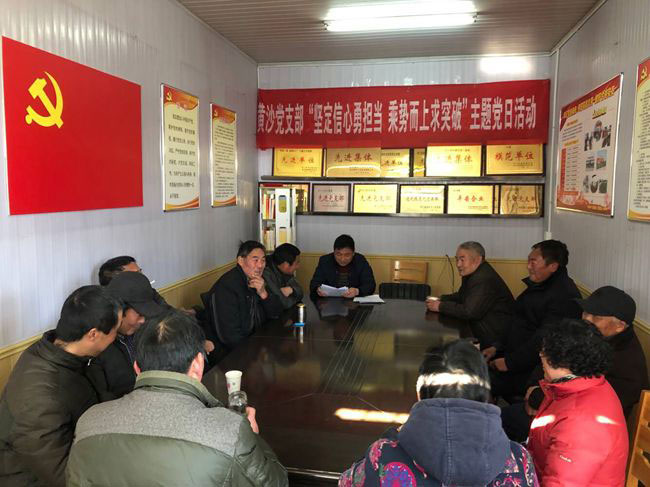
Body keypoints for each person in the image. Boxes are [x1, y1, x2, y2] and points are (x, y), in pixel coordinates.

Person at [66, 311, 288, 486]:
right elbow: (276, 482)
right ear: (198, 364)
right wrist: (253, 436)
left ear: (137, 368)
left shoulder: (89, 422)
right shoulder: (229, 431)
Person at [339, 340, 538, 487]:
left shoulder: (383, 456)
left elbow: (345, 482)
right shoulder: (520, 461)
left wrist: (391, 436)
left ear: (420, 395)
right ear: (486, 396)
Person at [0, 286, 121, 487]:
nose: (117, 336)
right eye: (116, 330)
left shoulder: (65, 353)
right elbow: (64, 476)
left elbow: (95, 396)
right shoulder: (40, 397)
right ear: (93, 334)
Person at [501, 285, 649, 442]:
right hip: (552, 406)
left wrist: (537, 397)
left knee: (504, 422)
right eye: (585, 312)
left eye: (596, 317)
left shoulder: (629, 366)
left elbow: (588, 403)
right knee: (502, 418)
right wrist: (534, 387)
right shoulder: (588, 335)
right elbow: (549, 360)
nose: (587, 319)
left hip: (582, 430)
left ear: (619, 326)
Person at [527, 319, 628, 486]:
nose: (540, 356)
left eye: (544, 353)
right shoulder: (586, 383)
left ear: (563, 363)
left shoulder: (582, 423)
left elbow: (561, 483)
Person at [483, 240, 581, 398]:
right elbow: (516, 320)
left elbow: (543, 340)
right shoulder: (539, 285)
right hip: (511, 357)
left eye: (533, 261)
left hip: (530, 372)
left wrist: (509, 363)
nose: (528, 266)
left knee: (472, 382)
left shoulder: (564, 297)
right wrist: (496, 347)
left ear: (553, 266)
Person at [87, 271, 168, 401]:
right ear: (119, 310)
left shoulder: (143, 331)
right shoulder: (97, 347)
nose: (143, 320)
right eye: (139, 314)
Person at [426, 241, 515, 348]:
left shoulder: (483, 279)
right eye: (457, 259)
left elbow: (469, 312)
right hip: (483, 330)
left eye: (462, 260)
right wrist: (441, 298)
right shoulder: (473, 273)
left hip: (494, 340)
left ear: (478, 260)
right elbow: (462, 295)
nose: (458, 264)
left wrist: (440, 306)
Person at [208, 241, 283, 349]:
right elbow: (230, 336)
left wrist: (263, 293)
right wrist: (255, 351)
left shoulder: (258, 280)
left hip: (259, 341)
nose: (260, 265)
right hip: (235, 351)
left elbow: (277, 312)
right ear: (241, 261)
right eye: (255, 260)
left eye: (263, 260)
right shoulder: (227, 287)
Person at [310, 234, 376, 298]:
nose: (342, 259)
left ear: (353, 253)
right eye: (338, 254)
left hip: (353, 302)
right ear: (334, 252)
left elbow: (370, 285)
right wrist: (318, 289)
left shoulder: (360, 261)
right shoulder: (325, 261)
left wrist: (357, 291)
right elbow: (314, 284)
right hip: (329, 301)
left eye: (347, 255)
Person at [263, 243, 304, 309]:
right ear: (286, 264)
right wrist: (295, 298)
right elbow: (283, 304)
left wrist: (292, 290)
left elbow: (300, 291)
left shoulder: (285, 270)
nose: (298, 267)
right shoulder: (266, 273)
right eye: (297, 263)